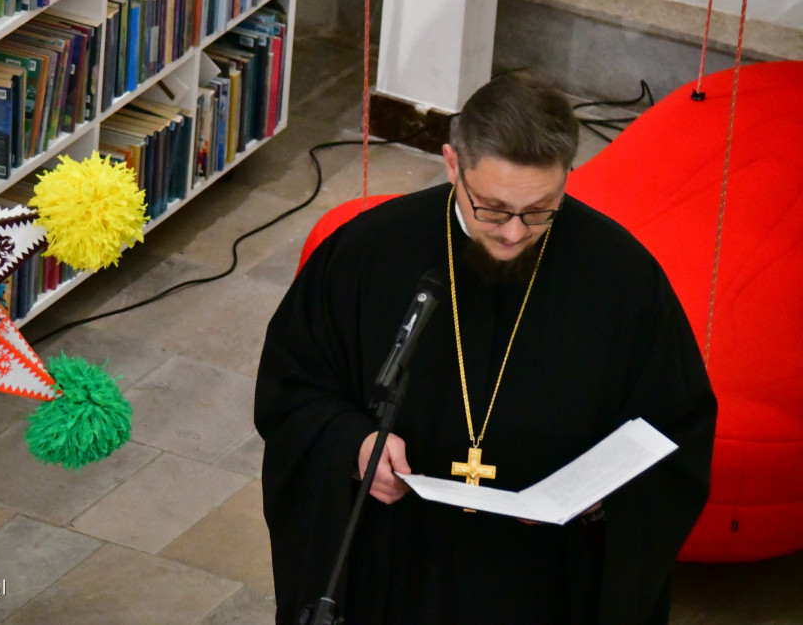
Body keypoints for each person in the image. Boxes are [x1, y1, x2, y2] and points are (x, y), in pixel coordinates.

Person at [254, 71, 717, 624]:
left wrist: (594, 499)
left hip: (544, 578)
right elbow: (292, 386)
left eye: (541, 208)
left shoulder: (621, 277)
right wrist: (353, 445)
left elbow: (676, 427)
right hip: (397, 565)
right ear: (453, 164)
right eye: (493, 208)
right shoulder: (369, 252)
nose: (515, 233)